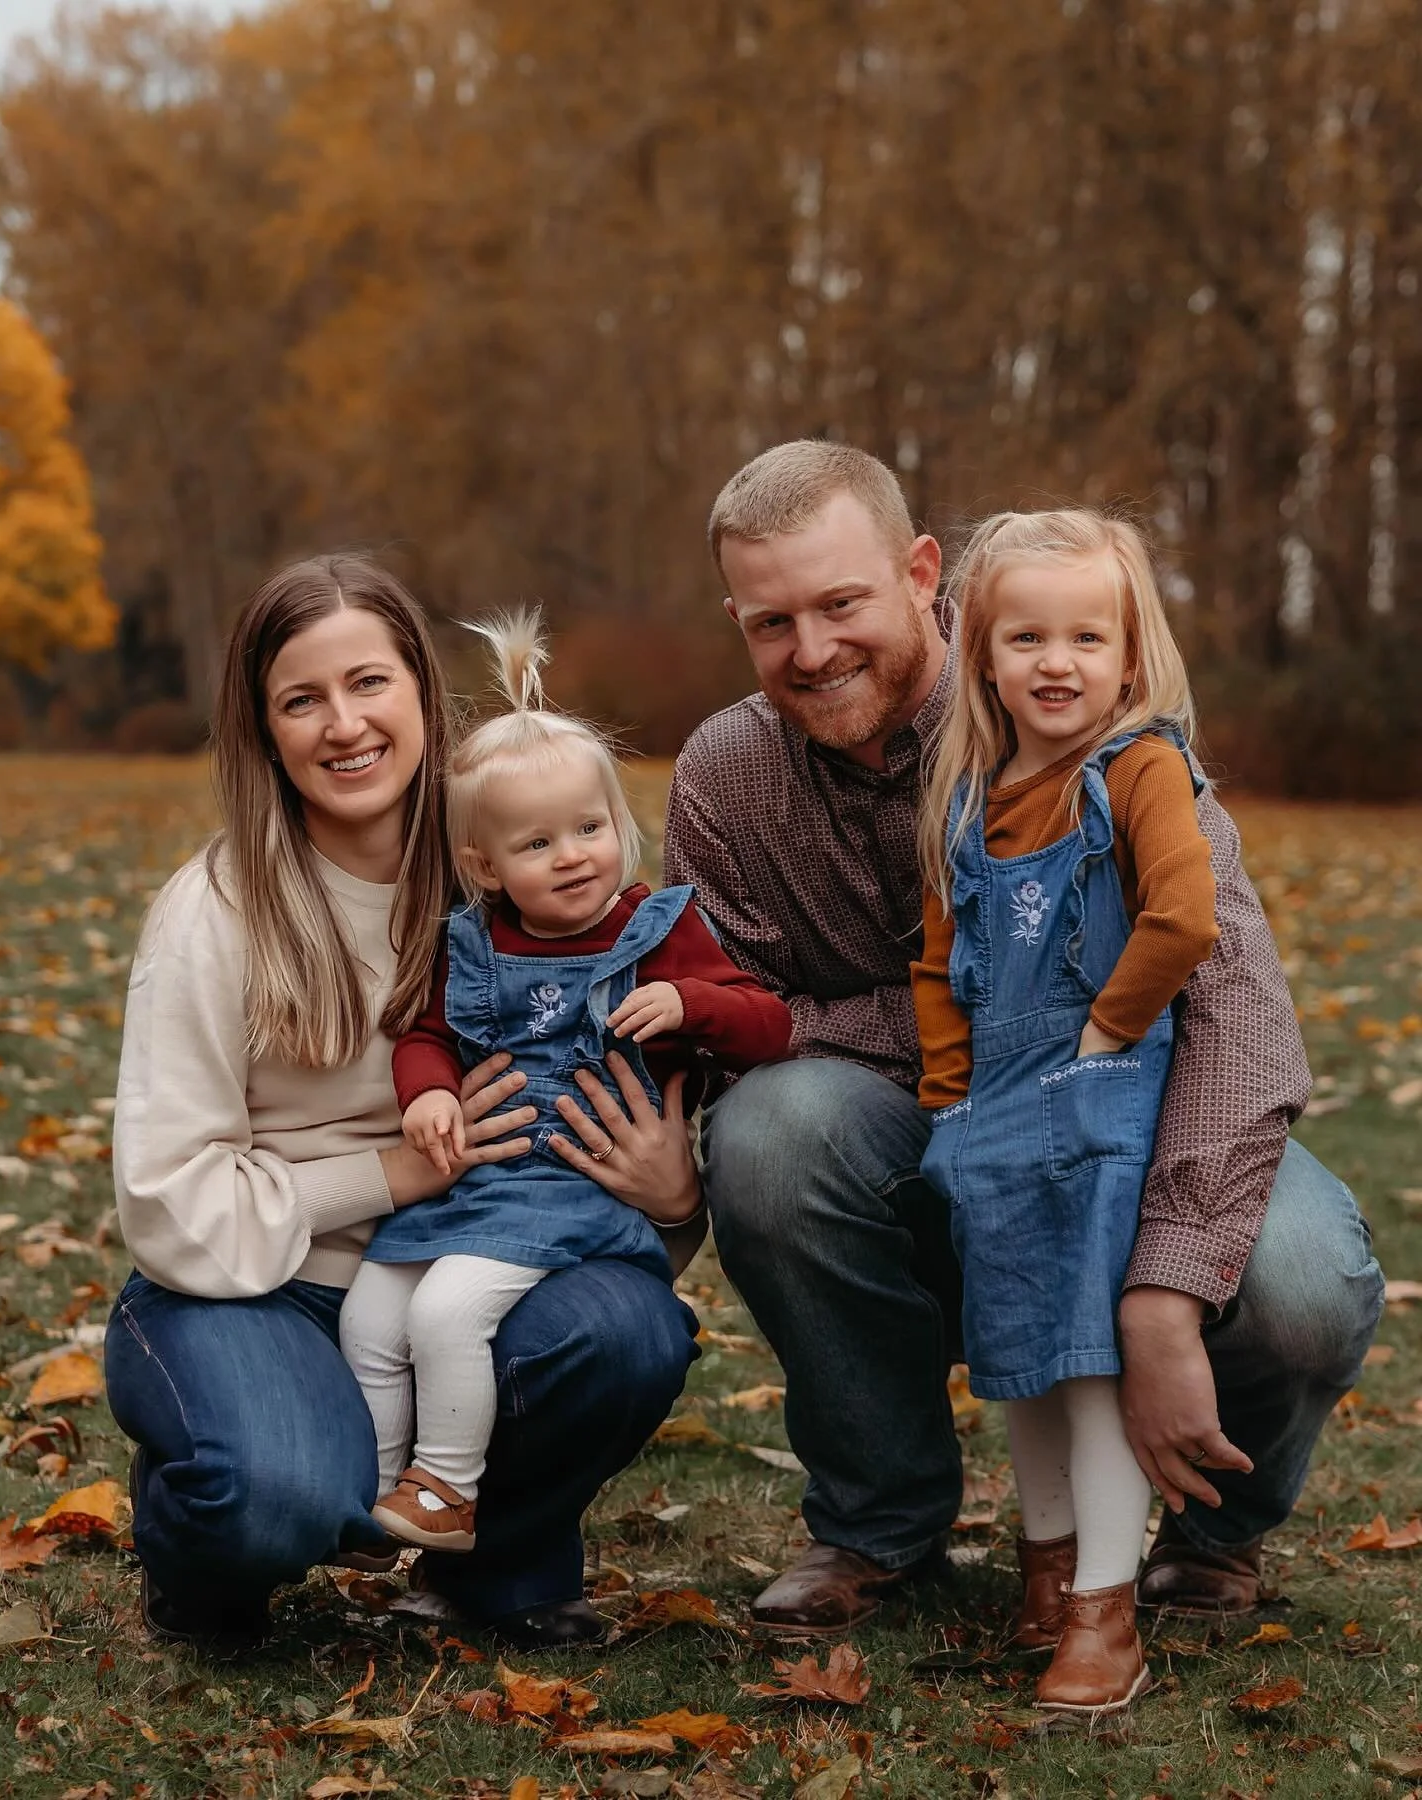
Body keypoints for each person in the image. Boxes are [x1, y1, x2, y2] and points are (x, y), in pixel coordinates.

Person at [665, 440, 1384, 1639]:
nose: (811, 649)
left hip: (1131, 1112)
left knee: (1304, 1281)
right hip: (928, 1142)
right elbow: (724, 1022)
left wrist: (1166, 1287)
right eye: (770, 621)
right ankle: (880, 1519)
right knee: (773, 1129)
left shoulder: (1100, 735)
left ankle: (1211, 1537)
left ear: (921, 573)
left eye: (842, 603)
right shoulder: (726, 778)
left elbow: (1240, 1021)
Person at [104, 555, 702, 1651]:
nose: (344, 725)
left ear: (423, 693)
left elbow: (634, 1077)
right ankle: (207, 1537)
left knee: (628, 1333)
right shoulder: (215, 912)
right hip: (255, 1287)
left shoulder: (513, 857)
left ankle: (500, 1562)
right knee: (277, 1493)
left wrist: (674, 1198)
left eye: (369, 683)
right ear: (263, 730)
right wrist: (388, 1175)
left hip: (468, 1260)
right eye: (302, 699)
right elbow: (167, 1201)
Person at [341, 610, 792, 1551]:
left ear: (617, 824)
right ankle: (381, 1487)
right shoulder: (471, 942)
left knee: (446, 1309)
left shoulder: (659, 930)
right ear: (486, 866)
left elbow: (768, 1025)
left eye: (589, 827)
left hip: (581, 1193)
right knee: (373, 1313)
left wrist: (688, 1006)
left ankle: (449, 1488)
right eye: (538, 845)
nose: (574, 855)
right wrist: (428, 1092)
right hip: (483, 1185)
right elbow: (423, 1035)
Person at [912, 509, 1226, 1712]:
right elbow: (938, 967)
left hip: (1098, 1110)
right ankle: (1043, 1569)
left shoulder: (1138, 769)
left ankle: (1107, 1607)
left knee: (1089, 1364)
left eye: (1086, 636)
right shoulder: (968, 800)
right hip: (992, 1113)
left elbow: (1184, 917)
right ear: (982, 656)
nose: (1057, 662)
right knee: (1023, 1358)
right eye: (1027, 636)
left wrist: (1109, 1030)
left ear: (1131, 656)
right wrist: (947, 1098)